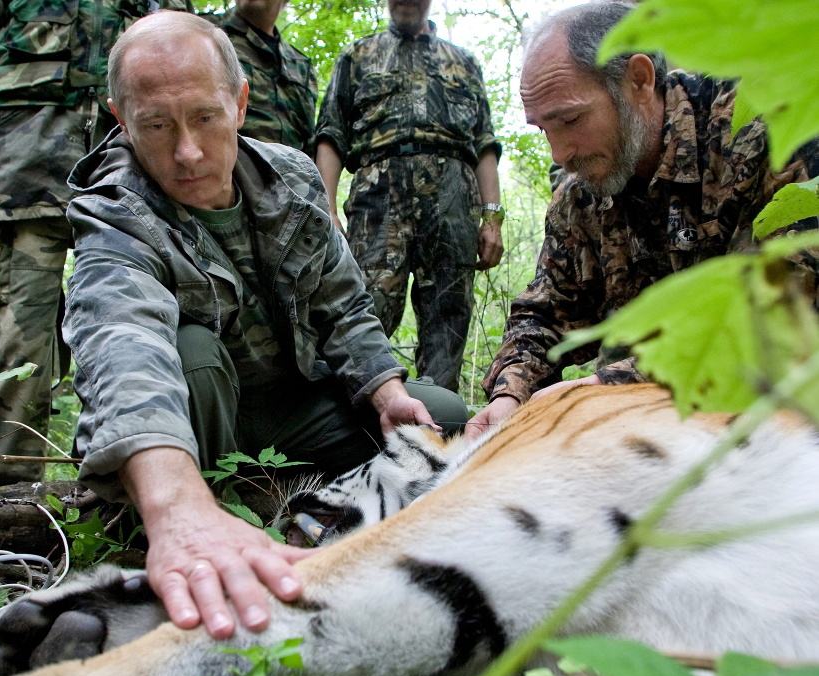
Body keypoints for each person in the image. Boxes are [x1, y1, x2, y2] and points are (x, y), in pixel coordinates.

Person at [63, 11, 467, 639]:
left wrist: (387, 391)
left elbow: (344, 307)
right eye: (156, 126)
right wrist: (174, 506)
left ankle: (276, 495)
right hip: (194, 424)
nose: (188, 151)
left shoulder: (294, 178)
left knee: (442, 415)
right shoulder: (114, 212)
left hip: (291, 405)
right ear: (122, 120)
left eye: (204, 117)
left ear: (240, 102)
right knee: (190, 350)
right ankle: (204, 515)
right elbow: (122, 345)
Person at [466, 1, 819, 439]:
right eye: (543, 129)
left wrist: (605, 390)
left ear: (638, 80)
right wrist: (510, 398)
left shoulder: (762, 127)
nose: (560, 154)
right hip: (650, 435)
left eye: (571, 120)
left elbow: (785, 305)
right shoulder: (581, 194)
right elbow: (545, 311)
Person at [0, 0, 193, 492]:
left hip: (134, 190)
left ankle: (119, 498)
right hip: (22, 183)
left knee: (143, 338)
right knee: (18, 356)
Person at [314, 0, 504, 393]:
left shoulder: (463, 62)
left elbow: (485, 143)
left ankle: (440, 423)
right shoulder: (357, 55)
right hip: (378, 194)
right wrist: (326, 208)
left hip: (454, 194)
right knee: (365, 306)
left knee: (448, 314)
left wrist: (492, 217)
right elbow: (331, 135)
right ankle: (357, 420)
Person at [202, 0, 317, 155]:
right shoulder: (203, 34)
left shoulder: (301, 65)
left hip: (289, 176)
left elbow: (309, 143)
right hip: (229, 172)